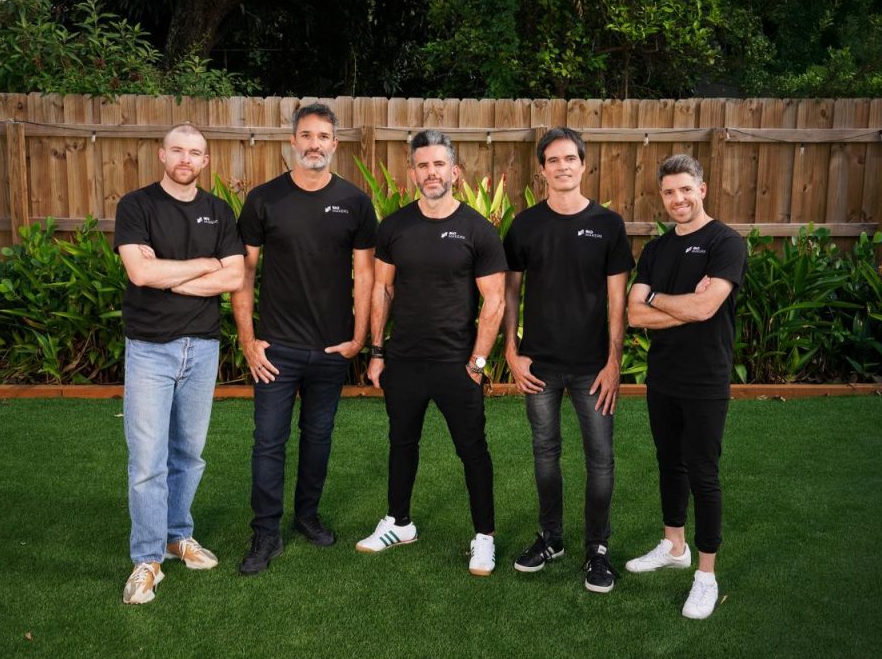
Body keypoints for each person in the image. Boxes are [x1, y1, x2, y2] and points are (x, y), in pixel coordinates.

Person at [233, 103, 377, 575]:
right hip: (276, 348)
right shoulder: (264, 200)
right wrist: (249, 341)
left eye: (323, 136)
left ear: (335, 144)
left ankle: (307, 515)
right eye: (307, 135)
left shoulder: (355, 202)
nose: (315, 144)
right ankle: (265, 532)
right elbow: (243, 274)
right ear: (293, 142)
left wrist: (357, 339)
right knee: (268, 442)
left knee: (318, 437)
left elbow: (365, 274)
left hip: (332, 348)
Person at [356, 129, 507, 576]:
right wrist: (378, 351)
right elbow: (382, 289)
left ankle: (484, 537)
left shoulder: (478, 230)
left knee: (472, 450)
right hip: (404, 361)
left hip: (456, 364)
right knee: (401, 442)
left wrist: (477, 363)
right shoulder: (394, 227)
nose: (431, 172)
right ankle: (399, 523)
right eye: (423, 165)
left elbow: (495, 301)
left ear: (454, 172)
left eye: (439, 164)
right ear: (412, 173)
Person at [114, 123, 245, 605]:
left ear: (205, 161)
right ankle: (147, 559)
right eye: (177, 150)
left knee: (189, 453)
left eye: (194, 152)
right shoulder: (136, 206)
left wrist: (167, 275)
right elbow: (139, 272)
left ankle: (176, 535)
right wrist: (205, 264)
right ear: (162, 155)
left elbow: (234, 277)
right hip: (150, 348)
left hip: (202, 347)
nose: (186, 159)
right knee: (147, 460)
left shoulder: (219, 211)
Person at [502, 127, 634, 593]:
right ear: (542, 170)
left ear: (583, 164)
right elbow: (510, 293)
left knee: (600, 459)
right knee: (545, 453)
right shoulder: (525, 225)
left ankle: (598, 549)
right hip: (539, 366)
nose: (562, 167)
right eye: (553, 160)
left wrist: (614, 363)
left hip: (593, 368)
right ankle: (551, 538)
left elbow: (617, 302)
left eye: (570, 159)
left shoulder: (608, 224)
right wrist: (511, 351)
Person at [625, 153, 747, 619]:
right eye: (669, 192)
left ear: (702, 190)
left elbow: (706, 309)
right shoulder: (657, 249)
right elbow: (635, 314)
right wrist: (675, 303)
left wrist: (659, 299)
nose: (678, 199)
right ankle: (674, 546)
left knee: (703, 473)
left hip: (705, 378)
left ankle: (705, 574)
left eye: (685, 190)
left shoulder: (725, 242)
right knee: (669, 463)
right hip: (663, 377)